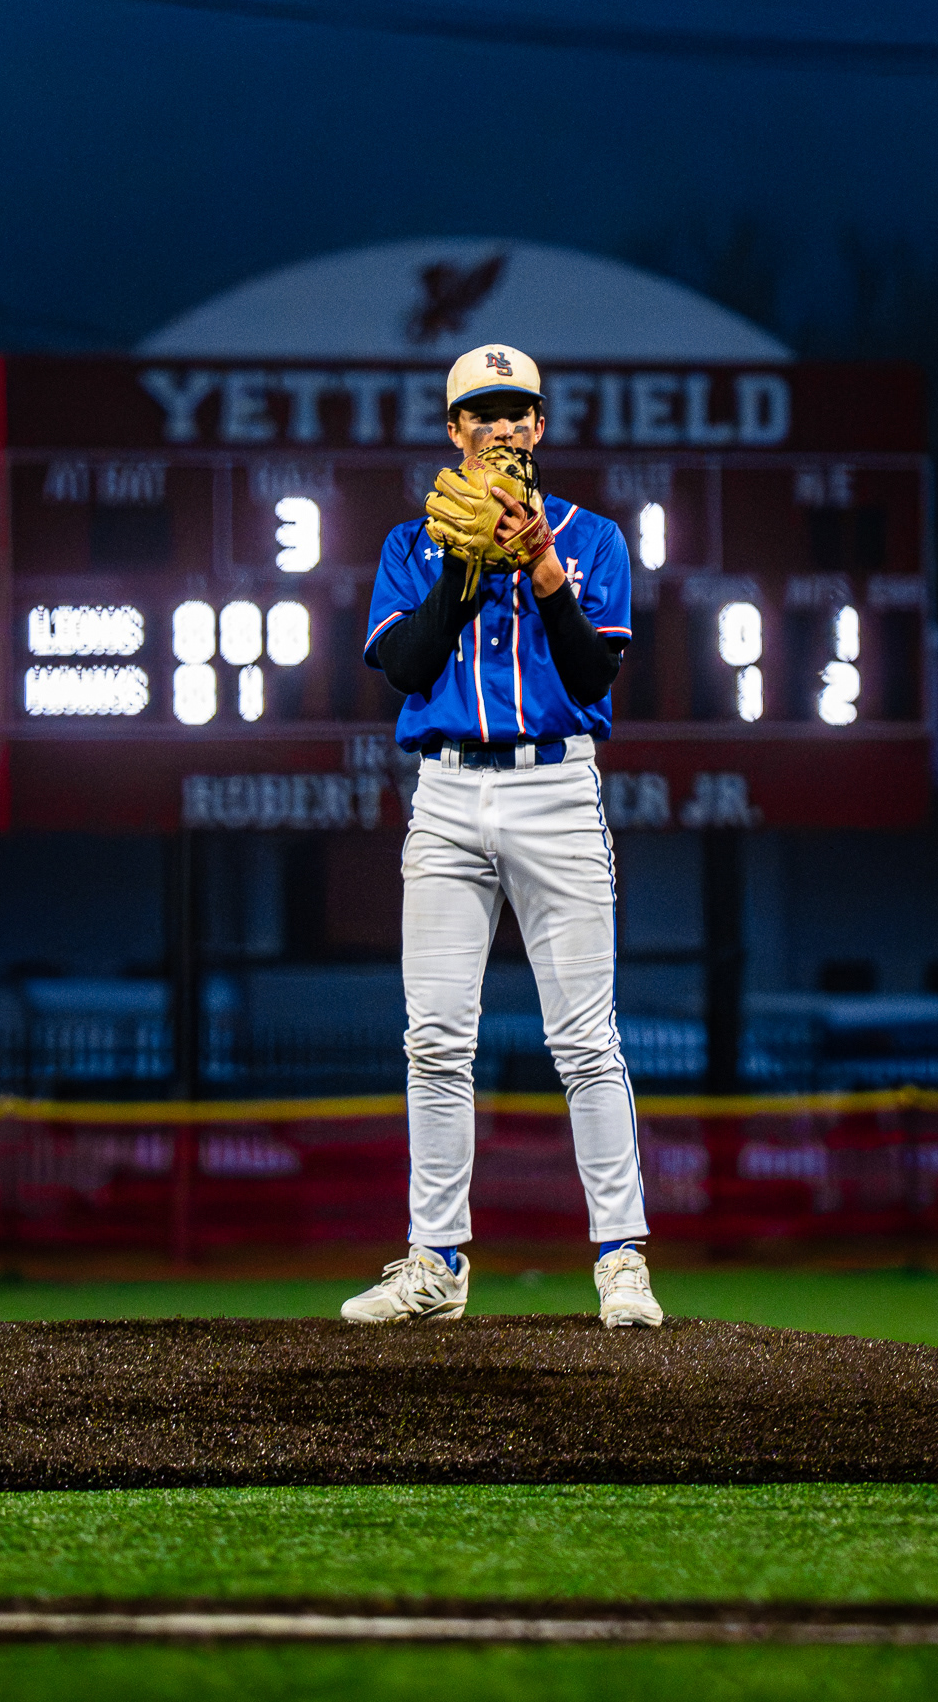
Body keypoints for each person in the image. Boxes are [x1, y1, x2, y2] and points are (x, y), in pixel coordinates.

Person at [340, 343, 660, 1330]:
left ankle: (621, 1261)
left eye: (519, 409)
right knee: (435, 1038)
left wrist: (540, 567)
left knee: (586, 1039)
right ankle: (435, 1263)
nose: (505, 425)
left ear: (541, 425)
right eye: (484, 411)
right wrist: (465, 575)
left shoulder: (593, 536)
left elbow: (592, 675)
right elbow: (402, 663)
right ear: (455, 430)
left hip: (554, 787)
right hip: (444, 792)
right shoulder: (413, 543)